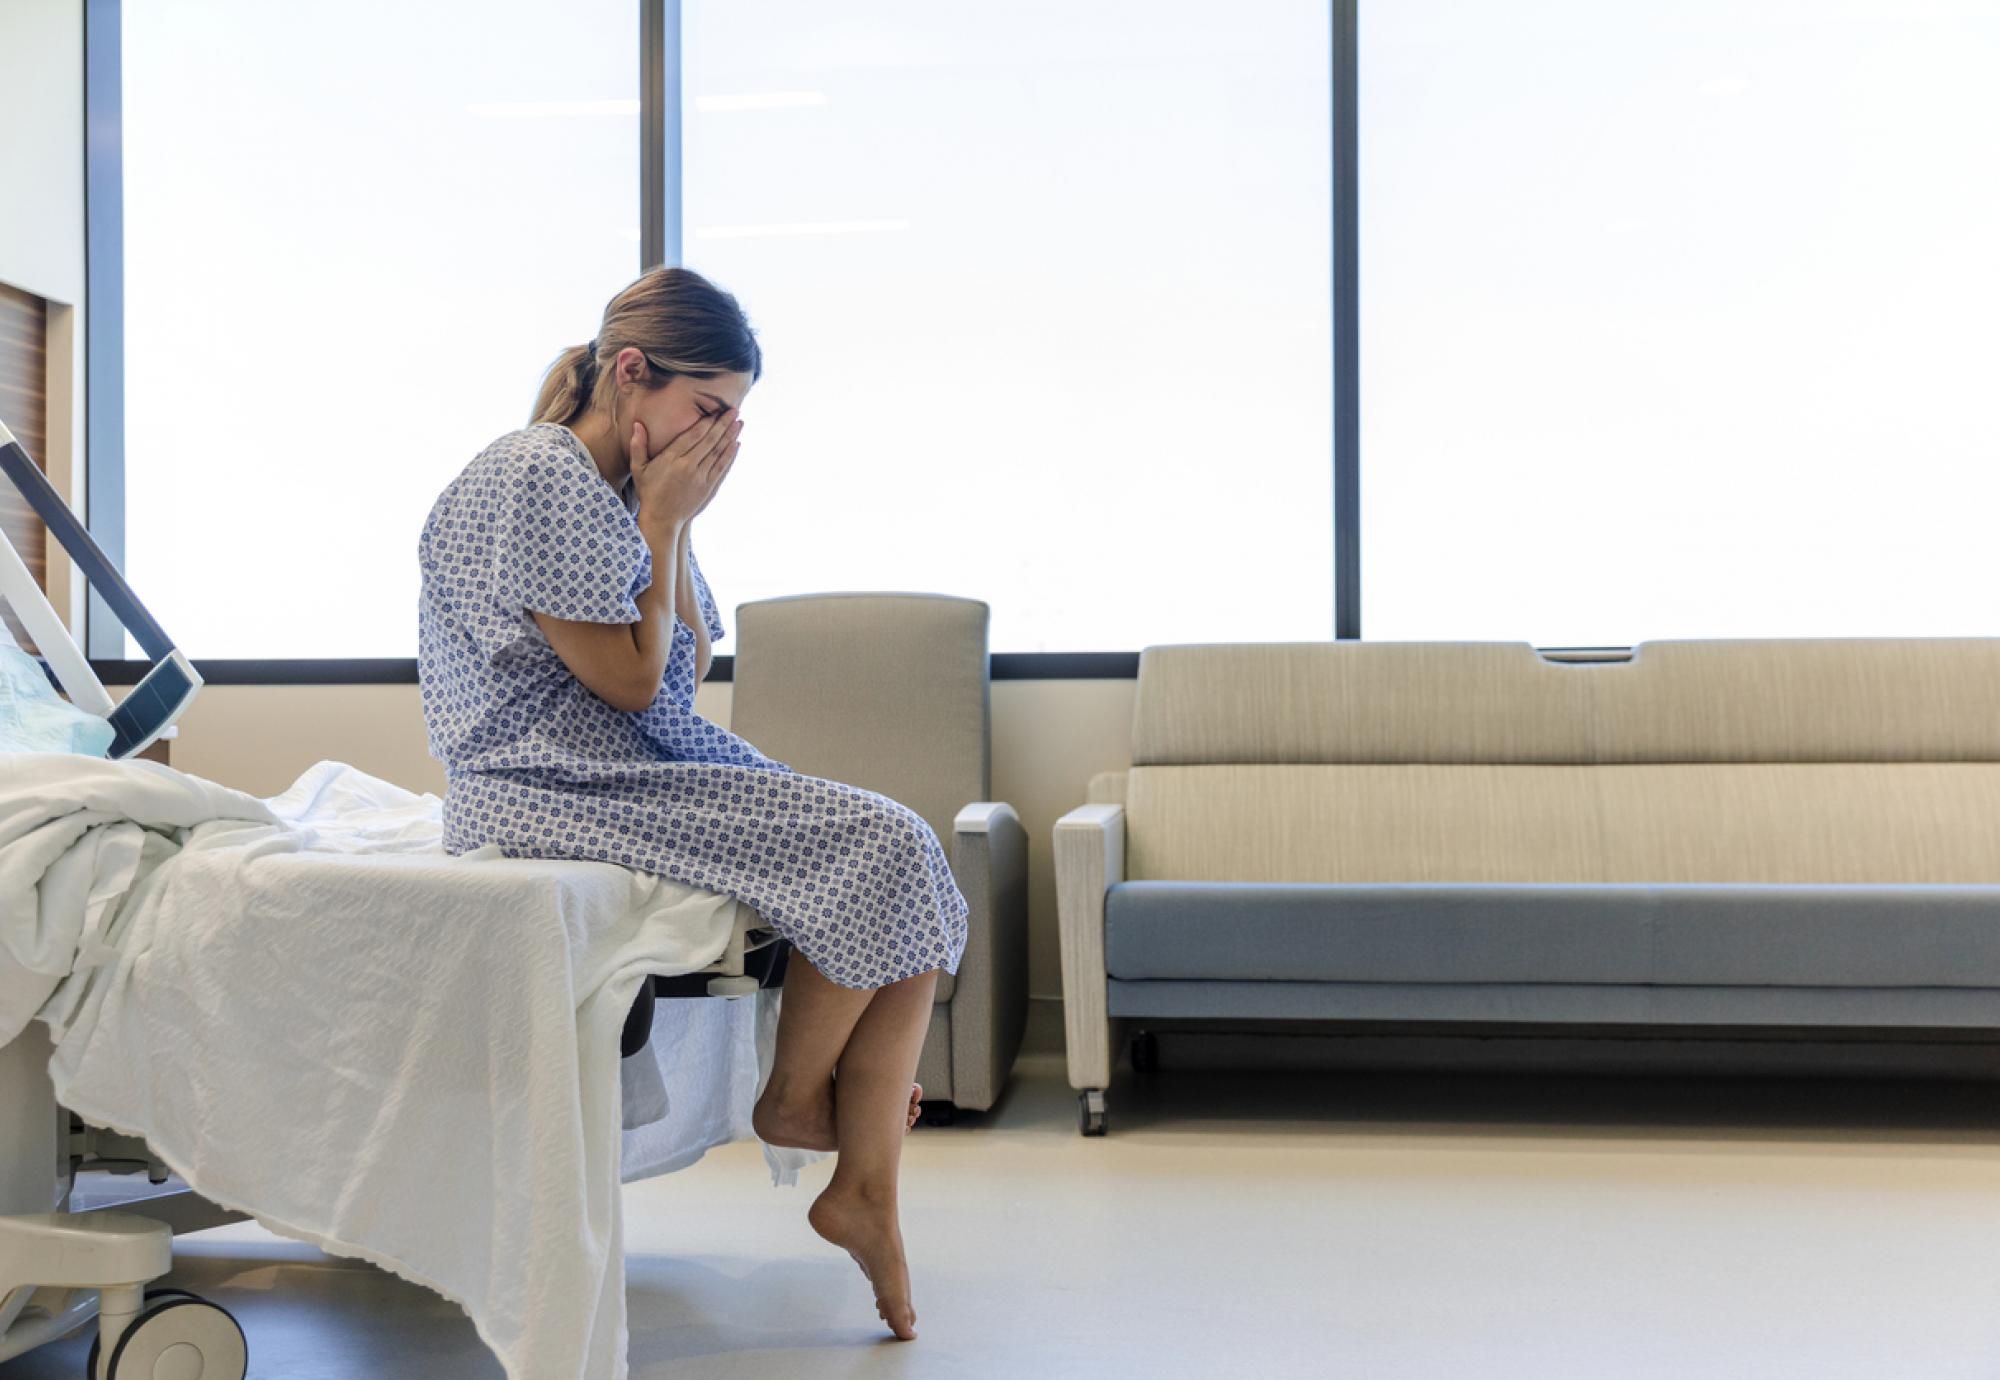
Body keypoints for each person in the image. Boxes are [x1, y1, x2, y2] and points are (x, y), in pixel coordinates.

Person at [416, 265, 969, 1341]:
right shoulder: (534, 475)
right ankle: (806, 1108)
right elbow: (627, 683)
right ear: (631, 373)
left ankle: (858, 1179)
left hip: (629, 758)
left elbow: (685, 661)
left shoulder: (618, 487)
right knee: (886, 839)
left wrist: (672, 513)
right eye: (707, 408)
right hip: (542, 777)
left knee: (907, 859)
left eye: (733, 417)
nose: (721, 434)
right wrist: (663, 520)